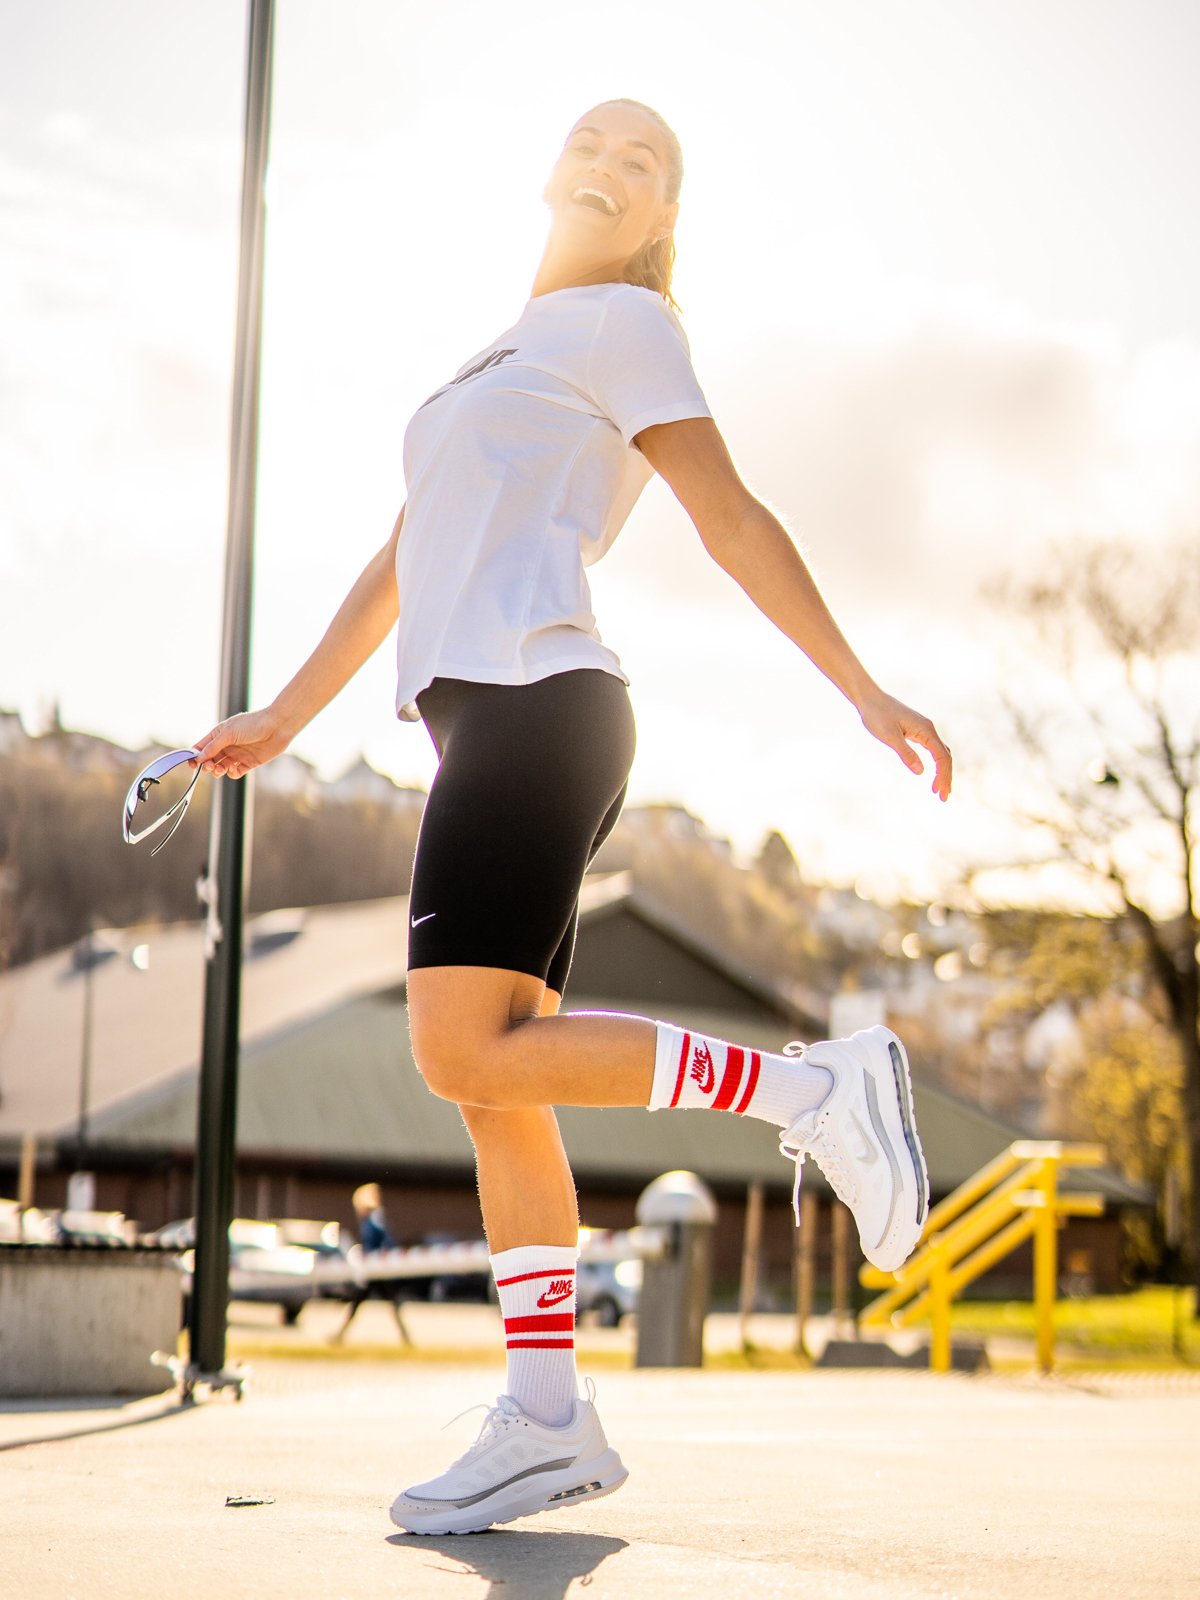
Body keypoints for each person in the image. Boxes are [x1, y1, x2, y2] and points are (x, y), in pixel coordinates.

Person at [193, 99, 952, 1536]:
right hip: (486, 723)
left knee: (453, 1047)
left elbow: (730, 517)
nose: (611, 165)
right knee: (499, 1083)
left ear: (662, 221)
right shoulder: (498, 356)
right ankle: (547, 1421)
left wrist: (859, 686)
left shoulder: (624, 324)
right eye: (595, 143)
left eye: (644, 161)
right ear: (549, 174)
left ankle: (815, 1091)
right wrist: (285, 717)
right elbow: (403, 554)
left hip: (542, 707)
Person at [330, 1182, 411, 1346]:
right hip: (376, 1269)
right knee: (387, 1303)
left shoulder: (372, 1221)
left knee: (362, 1302)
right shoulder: (377, 1219)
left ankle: (340, 1334)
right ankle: (405, 1336)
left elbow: (377, 1244)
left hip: (375, 1269)